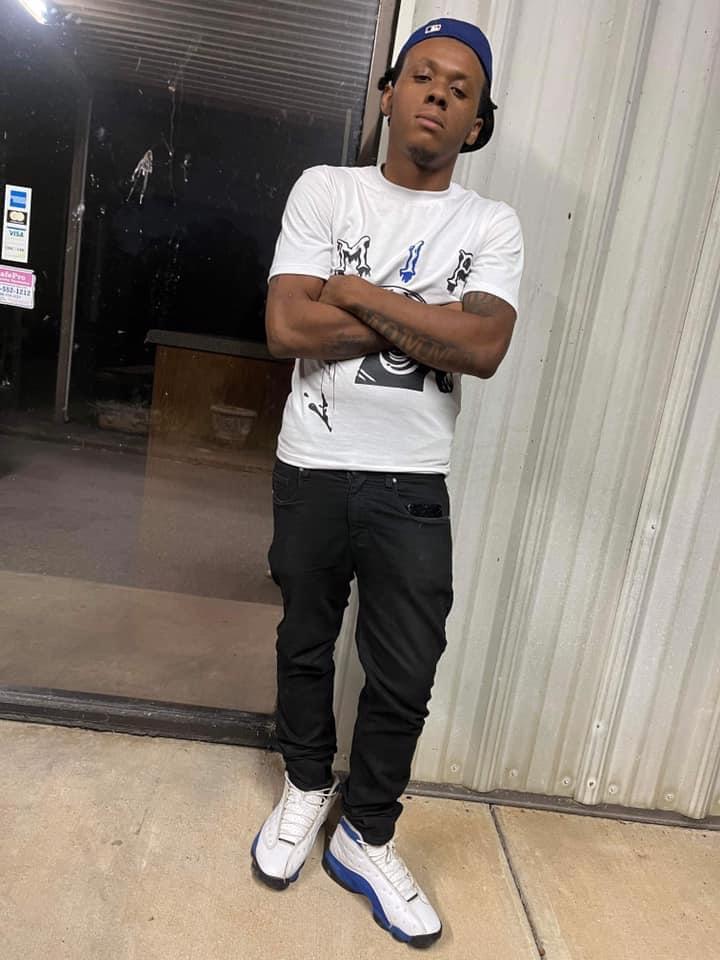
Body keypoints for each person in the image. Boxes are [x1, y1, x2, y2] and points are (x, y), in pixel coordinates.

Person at [251, 18, 523, 948]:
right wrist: (428, 320)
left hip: (413, 483)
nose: (438, 93)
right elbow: (287, 328)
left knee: (406, 671)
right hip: (313, 466)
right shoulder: (326, 190)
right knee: (305, 642)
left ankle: (365, 834)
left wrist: (359, 293)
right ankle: (304, 786)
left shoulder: (489, 224)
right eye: (423, 76)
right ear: (390, 92)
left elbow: (483, 347)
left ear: (476, 123)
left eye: (460, 88)